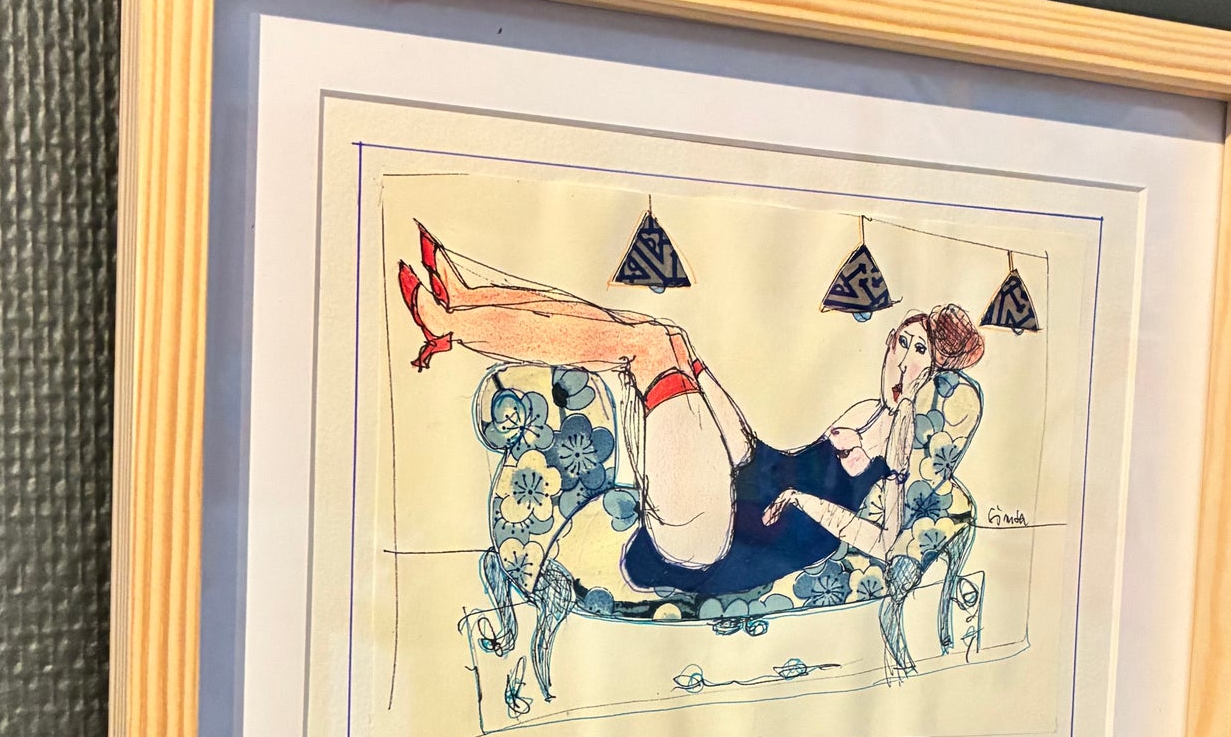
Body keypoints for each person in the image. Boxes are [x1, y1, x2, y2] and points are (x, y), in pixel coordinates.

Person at [399, 225, 984, 598]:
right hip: (731, 496)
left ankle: (452, 325)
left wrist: (805, 502)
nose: (903, 359)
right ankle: (467, 300)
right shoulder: (865, 409)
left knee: (648, 349)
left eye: (919, 352)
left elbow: (885, 541)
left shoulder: (901, 431)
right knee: (669, 337)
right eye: (902, 343)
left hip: (720, 548)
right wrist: (704, 375)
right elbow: (767, 461)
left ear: (932, 370)